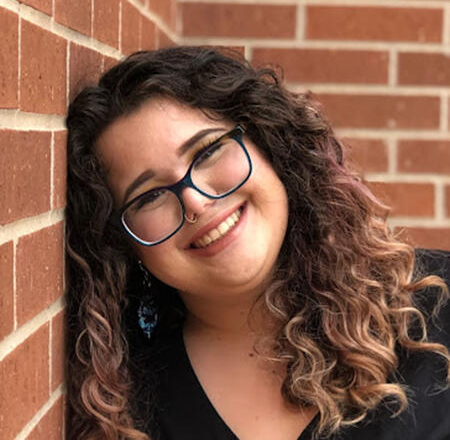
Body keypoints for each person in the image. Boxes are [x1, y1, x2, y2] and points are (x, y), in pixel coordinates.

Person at [65, 46, 450, 440]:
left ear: (271, 147)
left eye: (208, 151)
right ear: (122, 243)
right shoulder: (121, 401)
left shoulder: (439, 304)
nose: (195, 201)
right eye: (148, 196)